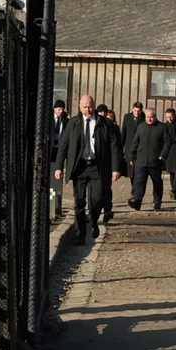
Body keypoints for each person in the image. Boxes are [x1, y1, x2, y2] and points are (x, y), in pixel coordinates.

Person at [53, 95, 122, 245]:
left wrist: (116, 168)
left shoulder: (104, 123)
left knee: (97, 199)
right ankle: (80, 234)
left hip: (97, 167)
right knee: (79, 202)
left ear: (94, 106)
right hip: (79, 167)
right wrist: (59, 167)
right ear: (79, 107)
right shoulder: (73, 123)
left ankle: (94, 220)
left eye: (90, 106)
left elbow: (114, 147)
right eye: (84, 107)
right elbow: (63, 146)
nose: (87, 110)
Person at [127, 108, 172, 211]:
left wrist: (163, 154)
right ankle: (137, 202)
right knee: (139, 182)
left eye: (151, 117)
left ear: (155, 116)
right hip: (141, 160)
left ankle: (157, 201)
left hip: (155, 160)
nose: (149, 119)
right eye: (147, 117)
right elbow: (135, 142)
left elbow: (167, 142)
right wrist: (131, 155)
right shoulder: (141, 127)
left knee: (157, 182)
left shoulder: (162, 127)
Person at [96, 104, 121, 224]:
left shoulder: (114, 128)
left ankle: (107, 210)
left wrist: (116, 167)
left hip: (108, 163)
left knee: (106, 188)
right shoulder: (94, 125)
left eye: (104, 113)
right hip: (96, 163)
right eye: (100, 113)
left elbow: (117, 148)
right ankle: (96, 210)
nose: (102, 115)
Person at [50, 99, 69, 213]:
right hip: (51, 149)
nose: (61, 111)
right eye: (59, 109)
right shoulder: (49, 120)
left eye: (62, 109)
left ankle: (57, 204)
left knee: (58, 175)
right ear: (54, 109)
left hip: (60, 151)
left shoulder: (65, 121)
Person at [121, 101, 144, 185]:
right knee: (131, 171)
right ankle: (134, 190)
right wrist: (121, 148)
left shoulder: (144, 118)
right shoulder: (127, 117)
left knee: (139, 171)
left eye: (138, 111)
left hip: (140, 148)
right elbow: (123, 132)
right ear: (132, 109)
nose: (137, 113)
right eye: (135, 110)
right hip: (129, 147)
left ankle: (136, 191)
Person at [163, 108, 176, 200]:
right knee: (171, 172)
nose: (169, 119)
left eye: (171, 117)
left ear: (175, 115)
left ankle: (174, 189)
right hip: (169, 151)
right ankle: (175, 192)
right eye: (168, 117)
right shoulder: (165, 126)